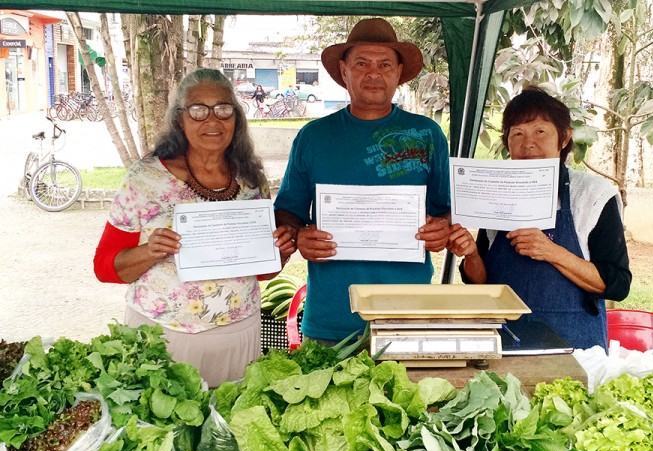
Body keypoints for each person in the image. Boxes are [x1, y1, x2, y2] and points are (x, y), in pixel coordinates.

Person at [93, 68, 296, 386]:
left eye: (224, 109)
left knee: (230, 429)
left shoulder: (251, 181)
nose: (212, 120)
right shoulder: (145, 179)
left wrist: (280, 253)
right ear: (179, 119)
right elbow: (104, 267)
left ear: (236, 118)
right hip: (163, 339)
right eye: (198, 110)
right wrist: (150, 251)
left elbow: (260, 271)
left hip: (239, 335)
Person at [274, 18, 451, 343]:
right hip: (330, 319)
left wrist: (442, 228)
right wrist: (299, 235)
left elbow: (448, 211)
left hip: (405, 318)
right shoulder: (313, 138)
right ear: (344, 71)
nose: (373, 73)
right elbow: (287, 211)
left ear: (398, 73)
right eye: (362, 63)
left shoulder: (426, 135)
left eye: (385, 64)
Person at [448, 87, 631, 349]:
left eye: (540, 132)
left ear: (565, 137)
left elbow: (617, 285)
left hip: (575, 347)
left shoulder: (593, 195)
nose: (528, 144)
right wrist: (471, 255)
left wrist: (550, 251)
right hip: (502, 341)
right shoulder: (496, 192)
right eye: (517, 133)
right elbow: (482, 283)